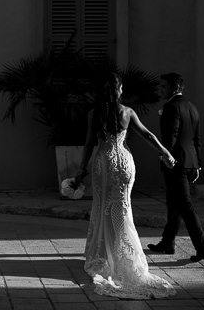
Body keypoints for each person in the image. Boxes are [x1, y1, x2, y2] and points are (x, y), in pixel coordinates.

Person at [72, 72, 177, 299]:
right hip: (124, 165)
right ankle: (124, 256)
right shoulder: (127, 112)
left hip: (103, 164)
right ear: (119, 90)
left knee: (103, 208)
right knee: (122, 209)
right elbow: (147, 135)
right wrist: (165, 152)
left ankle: (106, 256)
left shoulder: (95, 113)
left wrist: (81, 170)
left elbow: (90, 143)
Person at [146, 72, 204, 262]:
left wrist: (165, 156)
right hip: (190, 162)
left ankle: (203, 248)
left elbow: (171, 136)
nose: (161, 90)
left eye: (164, 87)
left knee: (185, 205)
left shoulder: (171, 107)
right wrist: (198, 164)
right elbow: (197, 140)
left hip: (176, 162)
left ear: (174, 88)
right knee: (173, 203)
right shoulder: (192, 108)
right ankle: (167, 242)